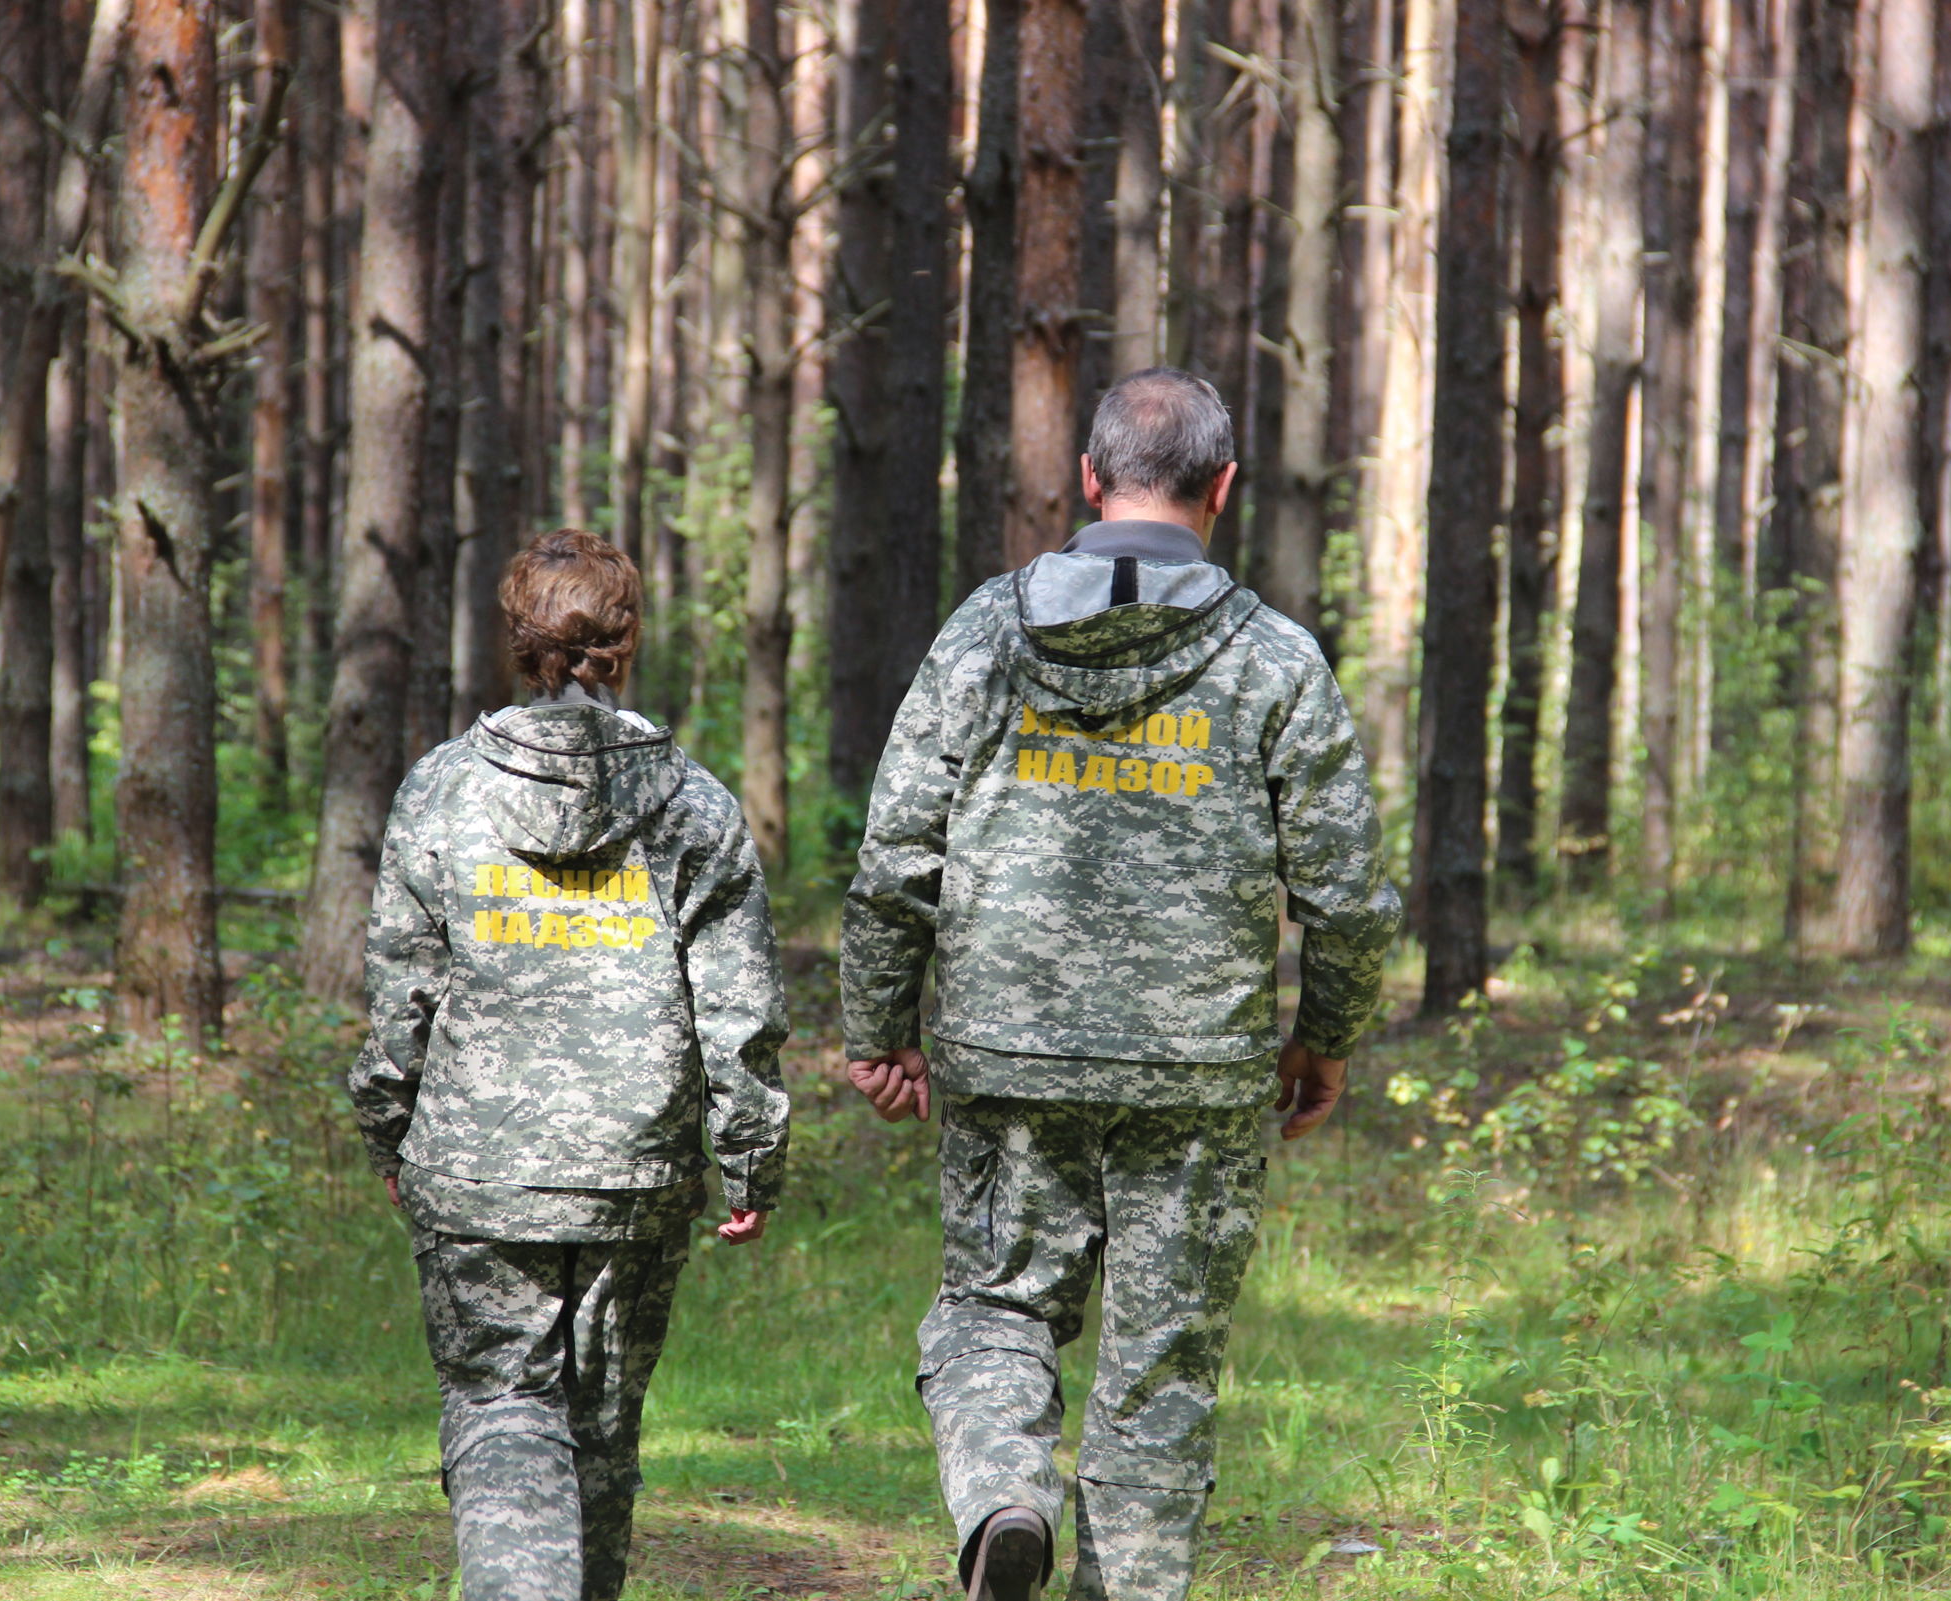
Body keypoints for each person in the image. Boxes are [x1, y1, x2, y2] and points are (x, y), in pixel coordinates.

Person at [840, 368, 1402, 1601]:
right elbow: (1347, 893)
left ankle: (1002, 1495)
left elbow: (895, 856)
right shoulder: (1271, 661)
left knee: (996, 1306)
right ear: (1223, 490)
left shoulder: (986, 631)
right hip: (1196, 1071)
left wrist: (881, 1026)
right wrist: (1326, 1038)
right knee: (1157, 1360)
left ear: (1090, 479)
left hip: (1008, 1053)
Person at [350, 528, 791, 1601]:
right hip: (631, 1173)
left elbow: (400, 988)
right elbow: (738, 1011)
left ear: (518, 640)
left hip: (474, 1167)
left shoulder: (443, 791)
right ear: (622, 643)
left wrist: (388, 1123)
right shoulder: (691, 804)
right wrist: (749, 1157)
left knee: (502, 1408)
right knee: (599, 1433)